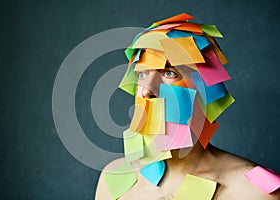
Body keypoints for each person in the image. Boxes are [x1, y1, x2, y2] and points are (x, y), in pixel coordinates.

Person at [95, 13, 280, 200]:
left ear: (206, 89)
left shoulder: (253, 192)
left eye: (169, 73)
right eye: (142, 74)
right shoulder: (111, 177)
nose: (147, 91)